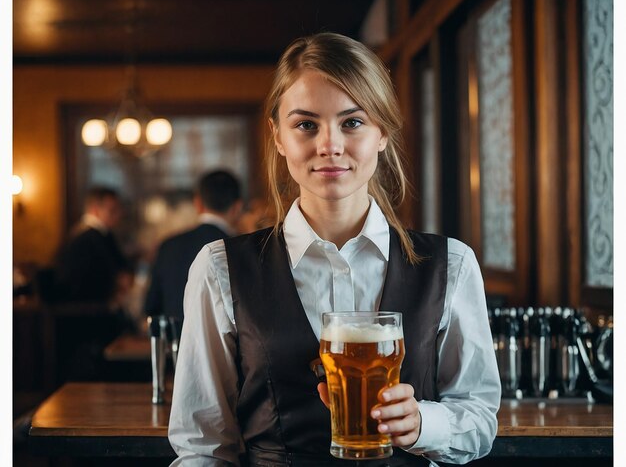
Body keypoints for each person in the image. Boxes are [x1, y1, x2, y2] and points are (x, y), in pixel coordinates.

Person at [169, 33, 500, 466]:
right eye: (306, 124)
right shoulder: (219, 268)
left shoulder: (452, 264)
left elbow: (479, 418)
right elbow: (202, 447)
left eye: (353, 122)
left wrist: (423, 424)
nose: (330, 145)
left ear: (382, 132)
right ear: (278, 137)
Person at [144, 170, 242, 322]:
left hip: (177, 341)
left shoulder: (168, 245)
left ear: (197, 203)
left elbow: (151, 306)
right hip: (225, 344)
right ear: (237, 207)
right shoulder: (241, 250)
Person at [55, 186, 133, 306]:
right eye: (112, 210)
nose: (118, 216)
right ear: (95, 210)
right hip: (87, 311)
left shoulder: (87, 234)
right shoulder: (92, 237)